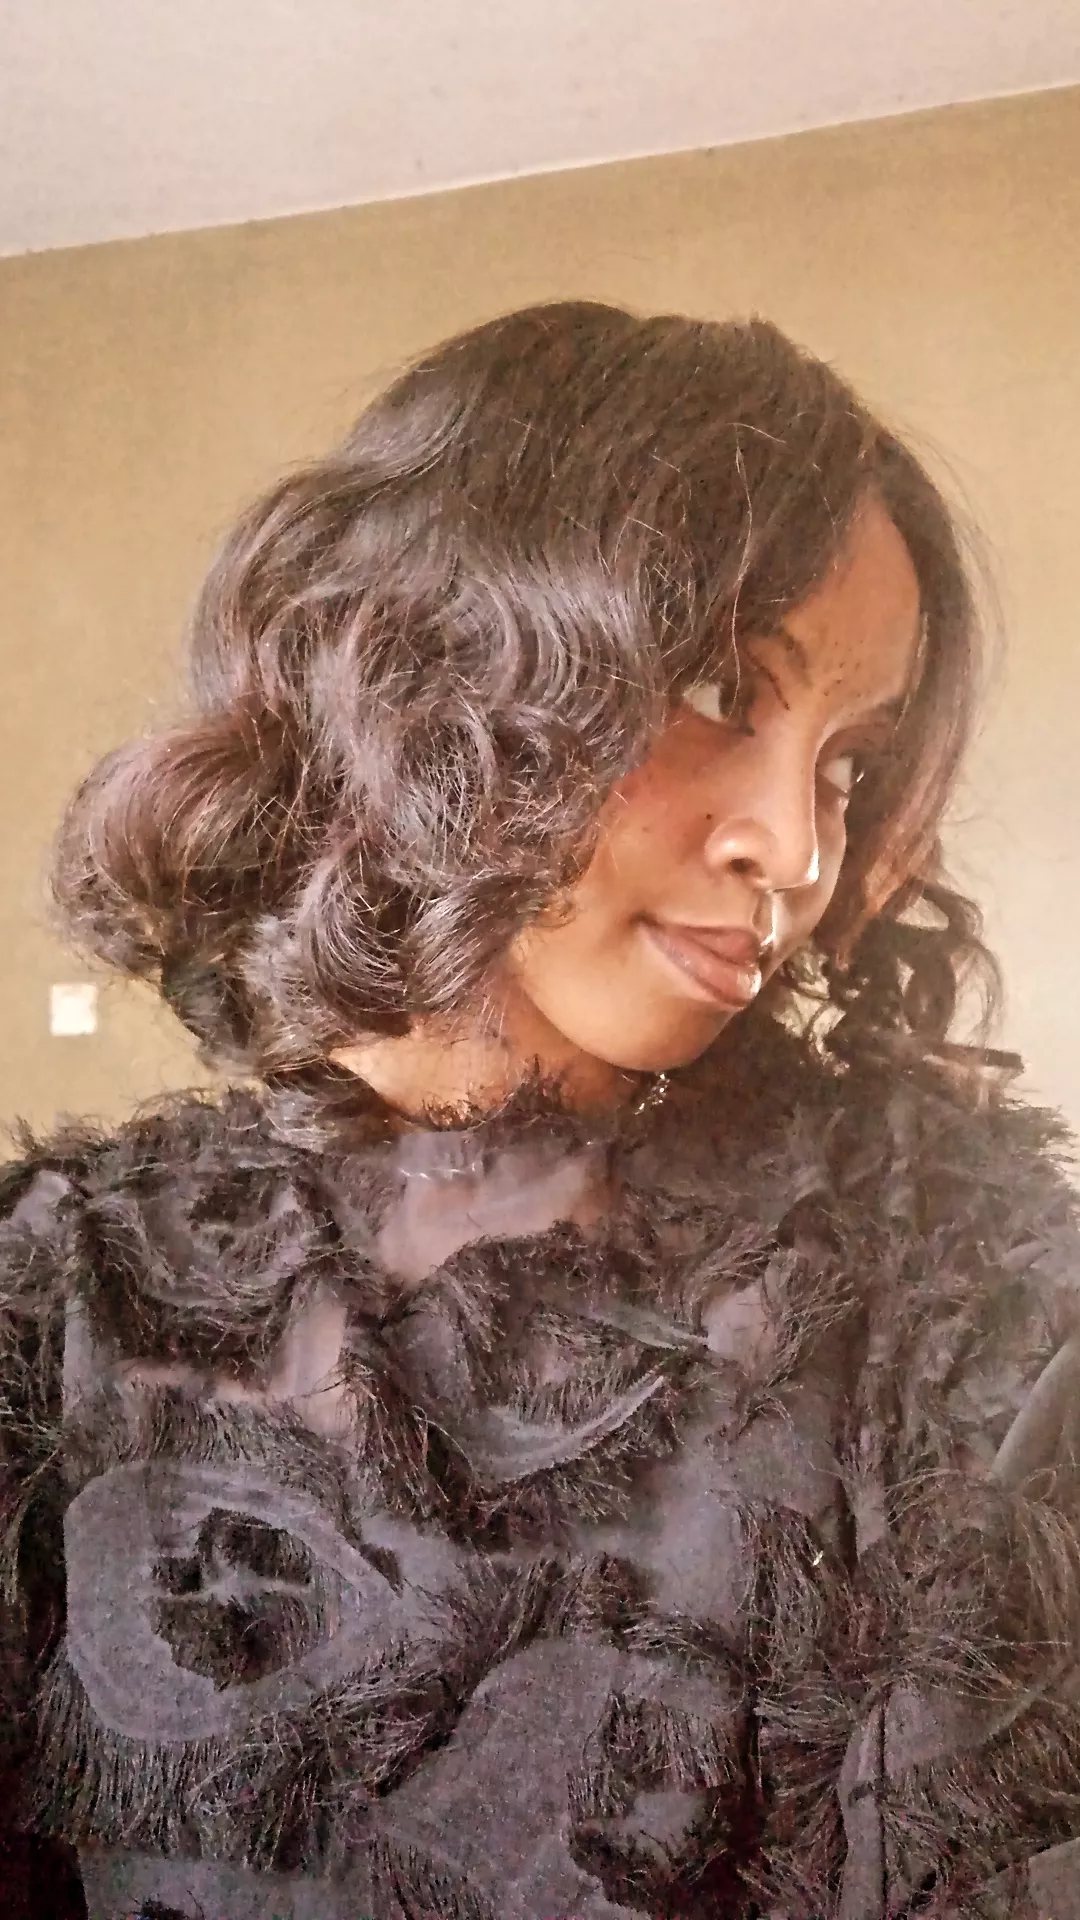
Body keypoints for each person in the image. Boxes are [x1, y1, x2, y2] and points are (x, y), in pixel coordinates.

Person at [2, 301, 1080, 1920]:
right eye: (721, 686)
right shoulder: (52, 1306)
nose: (795, 847)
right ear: (437, 661)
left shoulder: (960, 1288)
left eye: (848, 764)